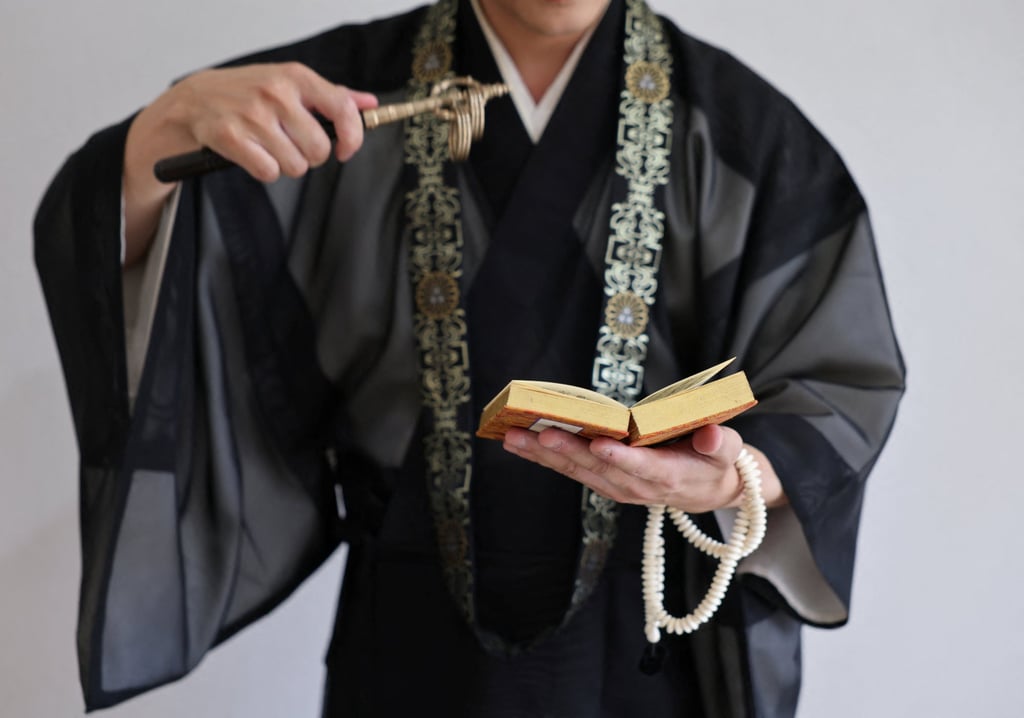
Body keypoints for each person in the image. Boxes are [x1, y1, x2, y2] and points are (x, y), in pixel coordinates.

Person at [34, 0, 905, 715]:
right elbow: (149, 267)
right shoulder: (333, 104)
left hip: (647, 642)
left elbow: (835, 375)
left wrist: (738, 475)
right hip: (405, 643)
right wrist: (157, 141)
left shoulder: (747, 136)